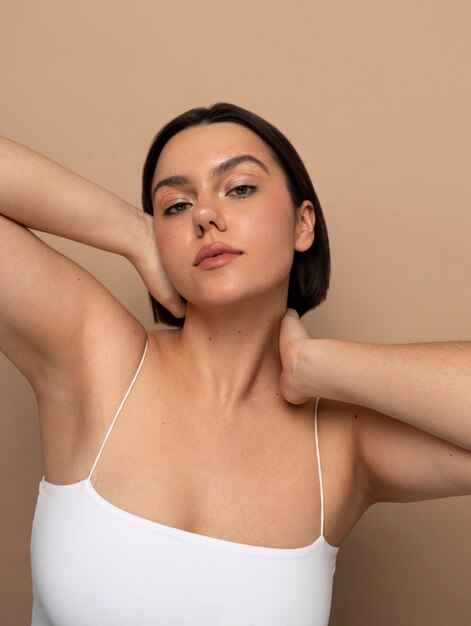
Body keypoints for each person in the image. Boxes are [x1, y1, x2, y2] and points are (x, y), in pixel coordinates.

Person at [0, 102, 470, 626]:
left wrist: (321, 363)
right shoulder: (94, 358)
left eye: (240, 188)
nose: (204, 214)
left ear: (303, 224)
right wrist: (133, 233)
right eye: (175, 206)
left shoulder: (342, 444)